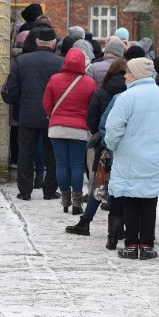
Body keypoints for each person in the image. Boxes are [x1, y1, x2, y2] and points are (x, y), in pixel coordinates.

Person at [105, 58, 159, 260]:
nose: (125, 76)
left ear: (135, 74)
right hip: (155, 158)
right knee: (149, 202)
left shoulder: (127, 97)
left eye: (127, 72)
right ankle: (146, 245)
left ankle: (130, 244)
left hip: (130, 158)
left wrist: (112, 145)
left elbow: (113, 128)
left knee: (131, 202)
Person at [65, 58, 127, 238]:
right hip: (128, 146)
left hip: (106, 144)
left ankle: (86, 222)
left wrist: (99, 136)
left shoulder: (102, 91)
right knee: (121, 187)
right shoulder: (130, 92)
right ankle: (119, 226)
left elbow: (92, 118)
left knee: (100, 185)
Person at [5, 25, 64, 201]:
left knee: (25, 153)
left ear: (37, 42)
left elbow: (13, 89)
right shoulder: (60, 63)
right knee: (52, 154)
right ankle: (49, 190)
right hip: (51, 115)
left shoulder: (22, 61)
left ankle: (25, 191)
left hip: (27, 114)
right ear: (54, 43)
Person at [43, 48, 97, 215]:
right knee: (76, 165)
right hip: (79, 130)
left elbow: (46, 103)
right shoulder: (89, 83)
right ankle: (76, 203)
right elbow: (92, 108)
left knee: (61, 164)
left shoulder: (54, 79)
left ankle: (65, 200)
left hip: (57, 128)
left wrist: (54, 117)